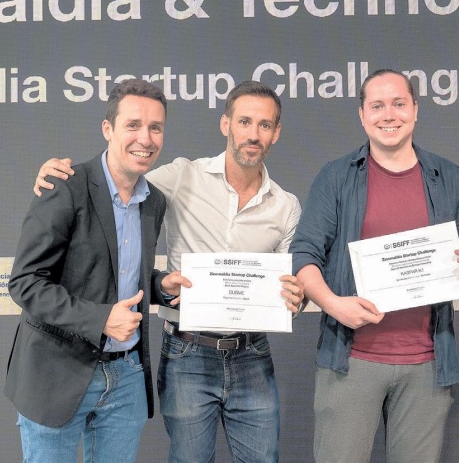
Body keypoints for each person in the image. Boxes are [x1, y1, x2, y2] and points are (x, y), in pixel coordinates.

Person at [34, 80, 305, 463]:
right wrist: (63, 176)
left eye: (264, 125)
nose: (253, 134)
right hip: (187, 353)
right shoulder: (182, 176)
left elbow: (290, 288)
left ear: (276, 133)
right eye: (244, 121)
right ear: (225, 124)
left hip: (251, 354)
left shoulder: (286, 206)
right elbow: (115, 182)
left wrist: (295, 298)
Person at [288, 69, 459, 463]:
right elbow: (304, 254)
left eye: (398, 104)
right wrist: (334, 305)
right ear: (362, 115)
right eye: (377, 106)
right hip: (352, 359)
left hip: (428, 362)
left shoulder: (449, 177)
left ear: (415, 110)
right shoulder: (336, 177)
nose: (388, 115)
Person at [5, 79, 184, 463]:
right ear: (108, 129)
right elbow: (25, 283)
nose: (145, 138)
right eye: (133, 125)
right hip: (57, 374)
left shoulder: (154, 201)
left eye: (155, 127)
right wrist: (101, 319)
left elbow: (119, 275)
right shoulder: (65, 186)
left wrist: (161, 286)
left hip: (126, 378)